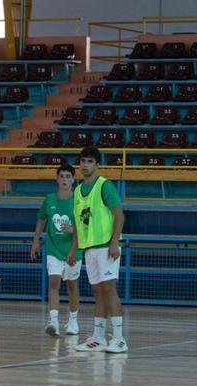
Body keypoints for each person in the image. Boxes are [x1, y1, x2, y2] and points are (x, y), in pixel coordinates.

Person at [67, 146, 127, 353]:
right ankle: (99, 337)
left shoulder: (105, 186)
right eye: (83, 161)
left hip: (105, 246)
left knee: (110, 289)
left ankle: (119, 338)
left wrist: (114, 242)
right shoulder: (76, 190)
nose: (85, 165)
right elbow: (77, 223)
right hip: (89, 248)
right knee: (98, 292)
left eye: (90, 161)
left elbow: (119, 215)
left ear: (97, 164)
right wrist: (73, 249)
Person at [31, 163, 82, 337]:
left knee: (72, 284)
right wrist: (36, 241)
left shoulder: (78, 200)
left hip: (74, 249)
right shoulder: (49, 199)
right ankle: (53, 321)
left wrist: (73, 232)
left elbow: (84, 225)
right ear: (57, 179)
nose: (64, 179)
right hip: (53, 248)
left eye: (68, 176)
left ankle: (73, 321)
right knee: (54, 282)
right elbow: (41, 219)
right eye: (62, 176)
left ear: (73, 180)